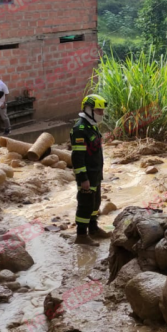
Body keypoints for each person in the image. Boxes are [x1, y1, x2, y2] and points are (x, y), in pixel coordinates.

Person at [70, 94, 111, 246]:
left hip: (95, 173)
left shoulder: (91, 126)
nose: (102, 114)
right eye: (99, 111)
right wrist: (83, 178)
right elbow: (77, 157)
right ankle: (81, 235)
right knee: (85, 204)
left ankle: (93, 229)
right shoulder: (80, 129)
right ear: (89, 109)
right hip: (87, 174)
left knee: (95, 203)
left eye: (102, 111)